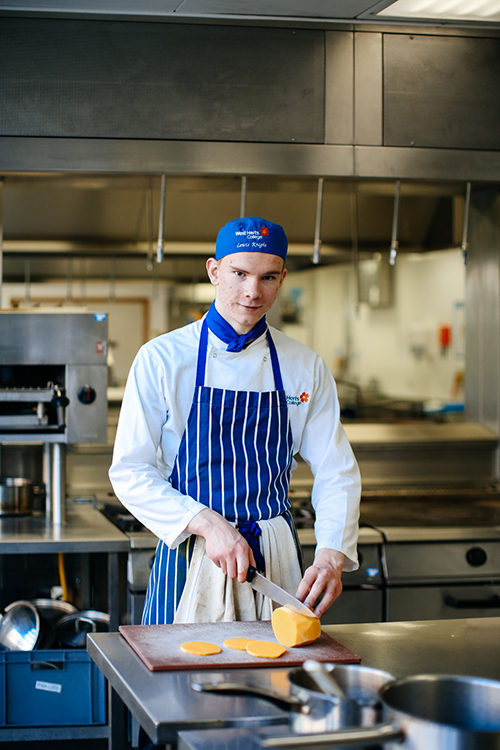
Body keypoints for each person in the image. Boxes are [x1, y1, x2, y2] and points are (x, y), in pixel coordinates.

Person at [109, 216, 361, 628]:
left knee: (278, 683)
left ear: (282, 279)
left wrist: (332, 554)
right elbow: (130, 470)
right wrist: (208, 523)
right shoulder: (163, 358)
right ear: (214, 271)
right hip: (193, 552)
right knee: (177, 683)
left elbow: (336, 470)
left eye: (266, 277)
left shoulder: (304, 365)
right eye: (239, 273)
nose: (252, 291)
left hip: (275, 560)